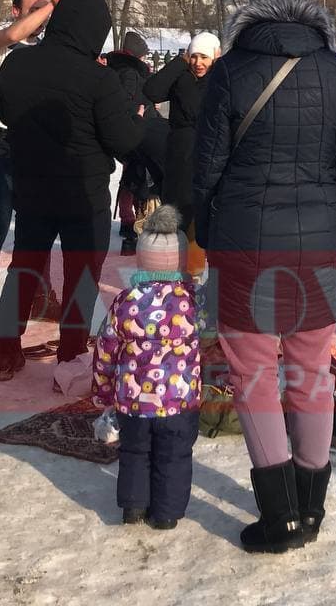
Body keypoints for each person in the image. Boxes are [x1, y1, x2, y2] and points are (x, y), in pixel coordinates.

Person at [193, 0, 336, 553]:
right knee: (310, 372)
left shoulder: (228, 72)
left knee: (252, 375)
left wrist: (206, 232)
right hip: (321, 245)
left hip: (243, 242)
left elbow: (206, 168)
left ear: (255, 5)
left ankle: (280, 519)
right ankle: (311, 507)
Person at [0, 0, 145, 384]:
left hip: (31, 185)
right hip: (83, 192)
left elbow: (6, 114)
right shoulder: (99, 79)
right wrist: (135, 118)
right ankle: (71, 354)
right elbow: (124, 141)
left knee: (25, 265)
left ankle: (5, 350)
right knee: (81, 275)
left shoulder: (17, 63)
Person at [93, 205, 203, 530]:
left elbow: (106, 348)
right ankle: (166, 514)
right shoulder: (194, 302)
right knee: (174, 457)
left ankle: (133, 507)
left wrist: (103, 391)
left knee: (135, 453)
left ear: (141, 260)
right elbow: (211, 343)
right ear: (180, 261)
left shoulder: (125, 301)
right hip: (179, 402)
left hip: (133, 402)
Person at [0, 0, 54, 338]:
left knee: (36, 225)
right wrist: (53, 4)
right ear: (16, 10)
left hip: (31, 141)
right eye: (36, 8)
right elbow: (14, 35)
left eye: (46, 10)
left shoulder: (44, 51)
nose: (43, 15)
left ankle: (37, 297)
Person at [144, 31, 220, 276]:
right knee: (176, 214)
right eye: (194, 56)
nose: (198, 63)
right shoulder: (181, 76)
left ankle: (194, 273)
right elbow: (152, 90)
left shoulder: (220, 79)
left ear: (215, 57)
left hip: (207, 155)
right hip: (178, 156)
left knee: (199, 217)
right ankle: (172, 270)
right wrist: (179, 62)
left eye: (204, 57)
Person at [106, 30, 166, 255]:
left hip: (132, 129)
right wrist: (142, 113)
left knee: (132, 178)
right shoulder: (130, 73)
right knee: (137, 180)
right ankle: (132, 222)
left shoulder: (120, 70)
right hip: (136, 130)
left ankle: (129, 221)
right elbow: (128, 100)